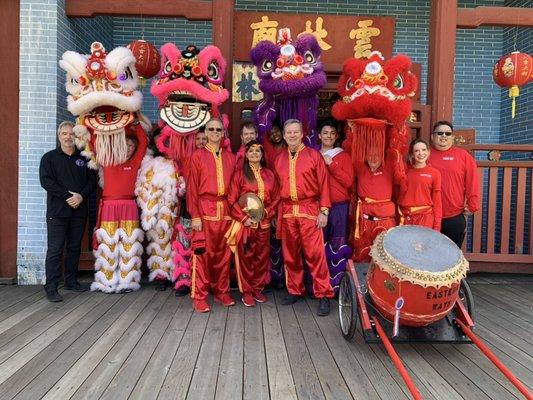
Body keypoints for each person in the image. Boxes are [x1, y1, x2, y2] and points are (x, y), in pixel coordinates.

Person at [275, 119, 334, 316]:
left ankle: (324, 293)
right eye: (288, 132)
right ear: (284, 135)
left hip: (310, 211)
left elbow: (324, 184)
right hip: (287, 212)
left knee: (315, 255)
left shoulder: (313, 156)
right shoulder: (279, 159)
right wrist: (277, 213)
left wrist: (324, 211)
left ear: (302, 134)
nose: (292, 135)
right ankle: (295, 290)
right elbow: (275, 190)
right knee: (290, 255)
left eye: (296, 132)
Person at [39, 121, 96, 302]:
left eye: (71, 134)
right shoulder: (49, 158)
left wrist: (80, 197)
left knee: (73, 248)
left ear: (76, 136)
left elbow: (92, 181)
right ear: (59, 136)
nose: (68, 137)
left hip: (78, 212)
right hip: (57, 212)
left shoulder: (85, 158)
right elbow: (46, 181)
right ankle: (52, 287)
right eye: (64, 134)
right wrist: (67, 196)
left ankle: (71, 281)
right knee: (55, 250)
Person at [187, 118, 236, 313]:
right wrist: (195, 215)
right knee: (203, 255)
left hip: (225, 212)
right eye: (211, 129)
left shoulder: (231, 158)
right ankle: (199, 295)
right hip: (204, 211)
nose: (215, 132)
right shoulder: (197, 156)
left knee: (224, 256)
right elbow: (192, 189)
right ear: (206, 132)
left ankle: (221, 291)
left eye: (219, 129)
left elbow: (234, 189)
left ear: (223, 133)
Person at [92, 125, 147, 293]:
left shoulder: (135, 161)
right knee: (108, 243)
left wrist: (136, 125)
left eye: (132, 146)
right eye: (126, 145)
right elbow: (95, 143)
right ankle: (106, 281)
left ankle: (127, 282)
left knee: (129, 244)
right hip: (109, 206)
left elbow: (143, 142)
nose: (129, 149)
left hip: (129, 206)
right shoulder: (108, 159)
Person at [227, 140, 279, 307]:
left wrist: (266, 212)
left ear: (262, 155)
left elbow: (277, 198)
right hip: (247, 225)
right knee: (246, 259)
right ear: (246, 154)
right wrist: (244, 218)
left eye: (258, 151)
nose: (255, 154)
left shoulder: (270, 175)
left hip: (264, 225)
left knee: (261, 258)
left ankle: (257, 288)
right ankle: (247, 291)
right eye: (251, 151)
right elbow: (231, 200)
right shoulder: (239, 175)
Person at [428, 121, 479, 248]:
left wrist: (473, 204)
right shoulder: (424, 154)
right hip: (428, 215)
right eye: (439, 133)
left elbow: (472, 181)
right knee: (427, 256)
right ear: (432, 136)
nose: (443, 136)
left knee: (452, 255)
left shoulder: (463, 156)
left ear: (452, 137)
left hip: (453, 216)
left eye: (447, 133)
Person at [318, 121, 354, 293]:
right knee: (319, 245)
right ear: (319, 135)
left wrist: (331, 164)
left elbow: (348, 182)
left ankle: (337, 284)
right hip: (318, 208)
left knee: (337, 244)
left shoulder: (344, 156)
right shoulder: (313, 155)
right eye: (325, 132)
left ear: (336, 136)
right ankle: (320, 284)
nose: (329, 136)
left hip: (339, 207)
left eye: (332, 133)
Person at [352, 151, 402, 262]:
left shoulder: (388, 167)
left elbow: (395, 149)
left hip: (385, 221)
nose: (373, 158)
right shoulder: (360, 166)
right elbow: (354, 144)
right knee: (363, 255)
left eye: (377, 155)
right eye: (370, 154)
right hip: (365, 222)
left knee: (386, 257)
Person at [398, 139, 442, 231]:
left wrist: (437, 225)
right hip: (406, 218)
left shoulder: (435, 173)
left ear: (428, 152)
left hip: (425, 219)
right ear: (412, 154)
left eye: (423, 150)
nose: (421, 153)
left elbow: (437, 201)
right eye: (416, 151)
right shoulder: (404, 172)